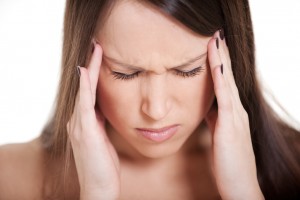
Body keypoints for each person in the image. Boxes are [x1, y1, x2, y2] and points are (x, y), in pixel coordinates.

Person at [0, 0, 299, 199]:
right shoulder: (10, 178)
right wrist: (97, 194)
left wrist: (245, 192)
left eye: (187, 70)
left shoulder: (295, 165)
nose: (156, 110)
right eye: (126, 73)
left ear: (232, 54)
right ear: (81, 58)